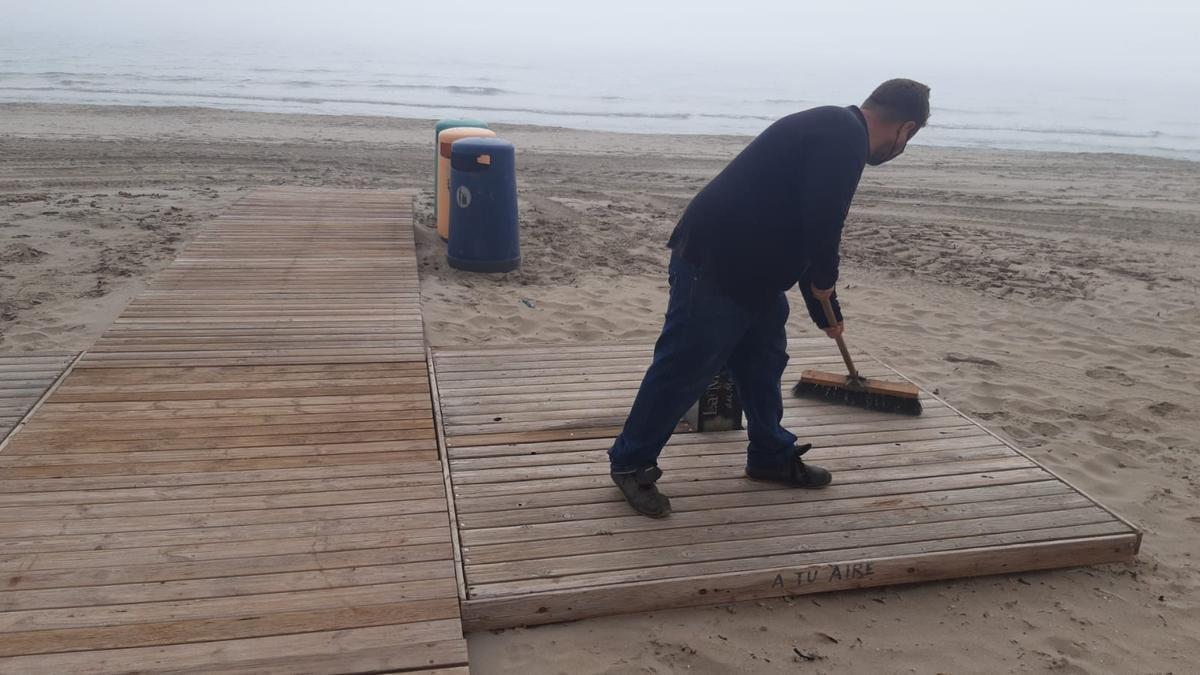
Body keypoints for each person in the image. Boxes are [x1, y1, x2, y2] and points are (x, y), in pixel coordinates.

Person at [608, 78, 931, 518]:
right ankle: (630, 463)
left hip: (757, 271)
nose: (900, 149)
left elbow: (803, 225)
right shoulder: (843, 136)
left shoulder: (835, 128)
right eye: (907, 140)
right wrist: (825, 280)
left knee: (763, 364)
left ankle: (769, 454)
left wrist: (824, 308)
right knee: (684, 367)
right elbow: (823, 221)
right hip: (716, 264)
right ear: (906, 128)